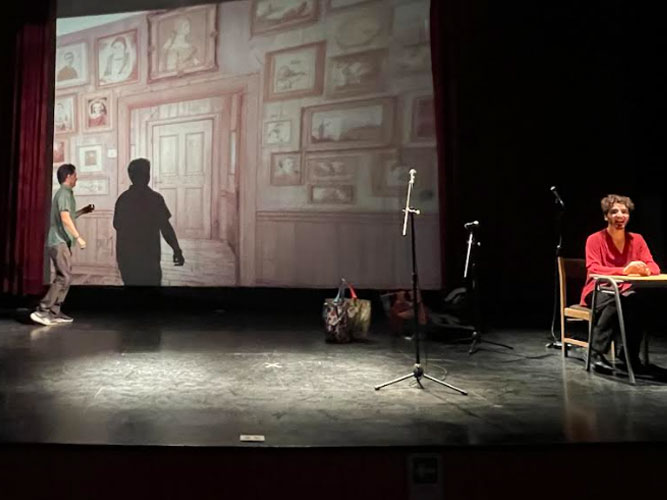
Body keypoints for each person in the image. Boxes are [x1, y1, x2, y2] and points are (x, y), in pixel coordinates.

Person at [580, 194, 660, 373]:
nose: (620, 215)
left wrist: (645, 269)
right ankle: (595, 352)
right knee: (620, 300)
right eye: (614, 211)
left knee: (638, 302)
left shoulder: (637, 239)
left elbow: (653, 266)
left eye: (624, 212)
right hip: (598, 289)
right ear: (606, 216)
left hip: (625, 290)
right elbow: (593, 269)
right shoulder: (594, 239)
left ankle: (628, 355)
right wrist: (625, 271)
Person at [31, 164, 94, 326]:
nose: (76, 178)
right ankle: (43, 310)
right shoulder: (64, 193)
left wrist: (83, 211)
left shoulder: (65, 194)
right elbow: (65, 219)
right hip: (58, 242)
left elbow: (68, 216)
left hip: (61, 242)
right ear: (68, 176)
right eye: (75, 175)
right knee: (63, 277)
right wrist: (78, 238)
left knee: (66, 277)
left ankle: (54, 312)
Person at [113, 158, 184, 286]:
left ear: (131, 176)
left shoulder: (123, 199)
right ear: (148, 176)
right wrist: (176, 249)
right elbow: (166, 228)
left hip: (127, 258)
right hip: (149, 257)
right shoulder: (155, 199)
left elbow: (116, 225)